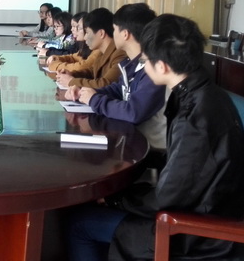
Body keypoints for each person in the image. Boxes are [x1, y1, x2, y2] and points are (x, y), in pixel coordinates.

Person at [66, 14, 244, 261]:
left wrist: (116, 199)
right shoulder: (204, 94)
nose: (144, 66)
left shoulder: (195, 117)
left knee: (80, 223)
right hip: (205, 208)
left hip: (197, 232)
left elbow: (168, 197)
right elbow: (186, 166)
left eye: (146, 60)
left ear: (162, 67)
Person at [74, 4, 167, 131]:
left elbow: (133, 112)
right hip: (128, 134)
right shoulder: (131, 63)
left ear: (125, 34)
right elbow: (118, 90)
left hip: (145, 141)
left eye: (114, 29)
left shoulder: (153, 70)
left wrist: (94, 100)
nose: (112, 34)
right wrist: (84, 92)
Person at [59, 8, 127, 94]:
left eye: (87, 32)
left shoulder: (120, 54)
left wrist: (72, 81)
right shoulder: (102, 52)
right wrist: (72, 74)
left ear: (101, 33)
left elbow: (106, 84)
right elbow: (92, 71)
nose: (85, 37)